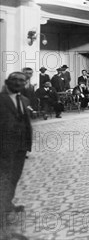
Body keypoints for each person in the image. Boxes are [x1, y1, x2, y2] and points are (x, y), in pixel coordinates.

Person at [0, 72, 32, 216]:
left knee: (14, 176)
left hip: (20, 147)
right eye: (15, 80)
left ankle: (7, 204)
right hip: (4, 146)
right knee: (4, 177)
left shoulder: (24, 100)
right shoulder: (1, 99)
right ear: (7, 82)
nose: (18, 83)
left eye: (22, 81)